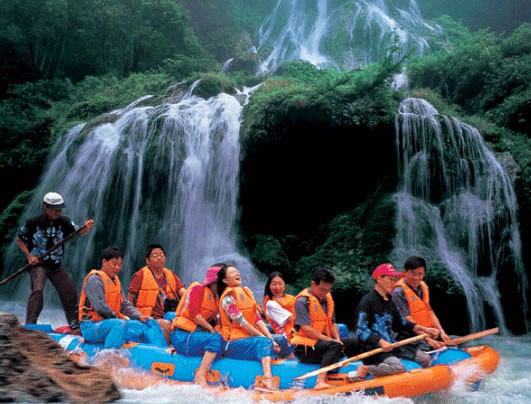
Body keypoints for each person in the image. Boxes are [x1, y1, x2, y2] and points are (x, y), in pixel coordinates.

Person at [16, 192, 94, 331]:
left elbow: (79, 232)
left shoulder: (64, 221)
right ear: (45, 207)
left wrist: (86, 227)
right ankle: (30, 325)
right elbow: (20, 240)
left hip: (56, 265)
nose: (58, 211)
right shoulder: (32, 223)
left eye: (60, 208)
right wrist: (29, 257)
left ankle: (74, 325)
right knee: (38, 290)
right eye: (54, 209)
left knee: (69, 290)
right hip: (38, 264)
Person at [350, 263, 439, 382]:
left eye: (395, 279)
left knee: (425, 359)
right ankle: (366, 369)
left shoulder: (390, 301)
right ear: (380, 279)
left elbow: (401, 323)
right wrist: (380, 341)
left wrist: (424, 329)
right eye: (391, 279)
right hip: (373, 348)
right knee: (397, 368)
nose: (394, 283)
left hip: (392, 344)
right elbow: (360, 330)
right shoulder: (367, 301)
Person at [79, 246, 167, 349]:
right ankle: (109, 354)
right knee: (119, 324)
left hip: (112, 322)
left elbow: (124, 305)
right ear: (104, 262)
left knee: (150, 323)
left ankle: (161, 351)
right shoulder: (94, 280)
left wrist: (139, 316)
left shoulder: (115, 280)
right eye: (114, 264)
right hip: (91, 326)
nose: (117, 268)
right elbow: (101, 308)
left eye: (120, 265)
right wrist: (121, 319)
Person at [291, 268, 359, 390]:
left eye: (328, 290)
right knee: (334, 345)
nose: (324, 293)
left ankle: (354, 371)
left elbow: (332, 323)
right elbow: (306, 329)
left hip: (323, 345)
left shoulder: (328, 300)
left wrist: (338, 340)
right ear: (313, 284)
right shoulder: (302, 301)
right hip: (305, 349)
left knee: (354, 341)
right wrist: (330, 340)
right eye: (322, 289)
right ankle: (320, 381)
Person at [217, 265, 282, 391]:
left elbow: (258, 320)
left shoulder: (246, 293)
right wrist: (267, 339)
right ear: (225, 280)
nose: (237, 273)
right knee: (264, 342)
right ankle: (267, 378)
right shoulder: (227, 299)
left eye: (237, 271)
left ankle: (293, 367)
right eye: (232, 272)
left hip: (248, 340)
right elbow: (244, 323)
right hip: (232, 344)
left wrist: (271, 338)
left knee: (281, 339)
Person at [171, 264, 225, 387]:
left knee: (221, 338)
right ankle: (200, 374)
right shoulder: (198, 289)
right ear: (212, 283)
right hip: (182, 336)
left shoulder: (216, 299)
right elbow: (194, 315)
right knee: (215, 338)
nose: (221, 287)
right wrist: (211, 329)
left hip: (195, 336)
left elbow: (216, 323)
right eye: (219, 284)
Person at [127, 244, 186, 343]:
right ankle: (168, 348)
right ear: (147, 260)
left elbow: (183, 292)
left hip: (168, 313)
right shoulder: (140, 275)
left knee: (181, 322)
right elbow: (130, 299)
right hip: (148, 316)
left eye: (161, 255)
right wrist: (134, 316)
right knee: (167, 324)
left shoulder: (170, 275)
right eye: (155, 256)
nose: (159, 258)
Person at [391, 256, 451, 349]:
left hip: (428, 332)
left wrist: (441, 331)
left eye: (420, 274)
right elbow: (407, 320)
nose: (416, 278)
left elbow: (430, 311)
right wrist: (428, 339)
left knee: (453, 341)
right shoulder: (398, 292)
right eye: (412, 273)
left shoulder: (422, 286)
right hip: (410, 335)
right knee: (428, 349)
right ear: (405, 272)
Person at [262, 272, 295, 358]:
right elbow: (290, 318)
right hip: (287, 338)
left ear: (284, 285)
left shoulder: (291, 298)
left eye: (280, 283)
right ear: (269, 286)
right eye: (274, 284)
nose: (277, 287)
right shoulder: (270, 303)